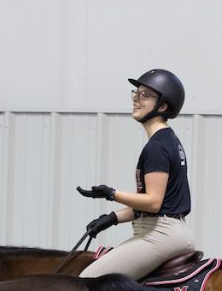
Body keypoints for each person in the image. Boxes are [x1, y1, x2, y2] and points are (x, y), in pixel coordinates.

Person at [76, 69, 195, 280]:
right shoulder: (167, 140)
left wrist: (111, 193)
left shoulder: (157, 147)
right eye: (136, 93)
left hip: (160, 235)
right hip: (168, 230)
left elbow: (153, 203)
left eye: (145, 95)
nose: (136, 100)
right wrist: (112, 218)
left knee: (88, 281)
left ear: (163, 105)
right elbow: (160, 204)